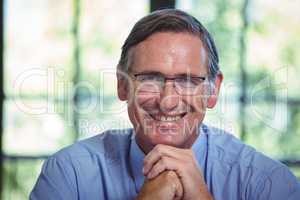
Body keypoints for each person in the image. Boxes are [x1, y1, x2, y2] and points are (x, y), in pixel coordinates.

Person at [30, 9, 300, 200]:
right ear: (122, 85)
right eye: (149, 78)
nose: (168, 101)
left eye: (187, 80)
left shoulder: (267, 183)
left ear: (213, 90)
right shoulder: (69, 175)